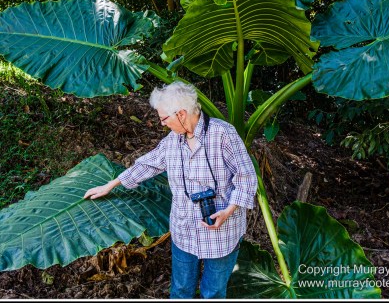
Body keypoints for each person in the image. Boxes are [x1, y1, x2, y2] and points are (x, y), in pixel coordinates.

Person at [83, 81, 258, 299]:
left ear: (182, 114)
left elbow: (247, 177)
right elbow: (148, 164)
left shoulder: (223, 134)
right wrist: (111, 184)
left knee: (213, 292)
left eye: (164, 119)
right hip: (184, 229)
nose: (163, 124)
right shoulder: (173, 141)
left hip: (222, 230)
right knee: (181, 290)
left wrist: (229, 210)